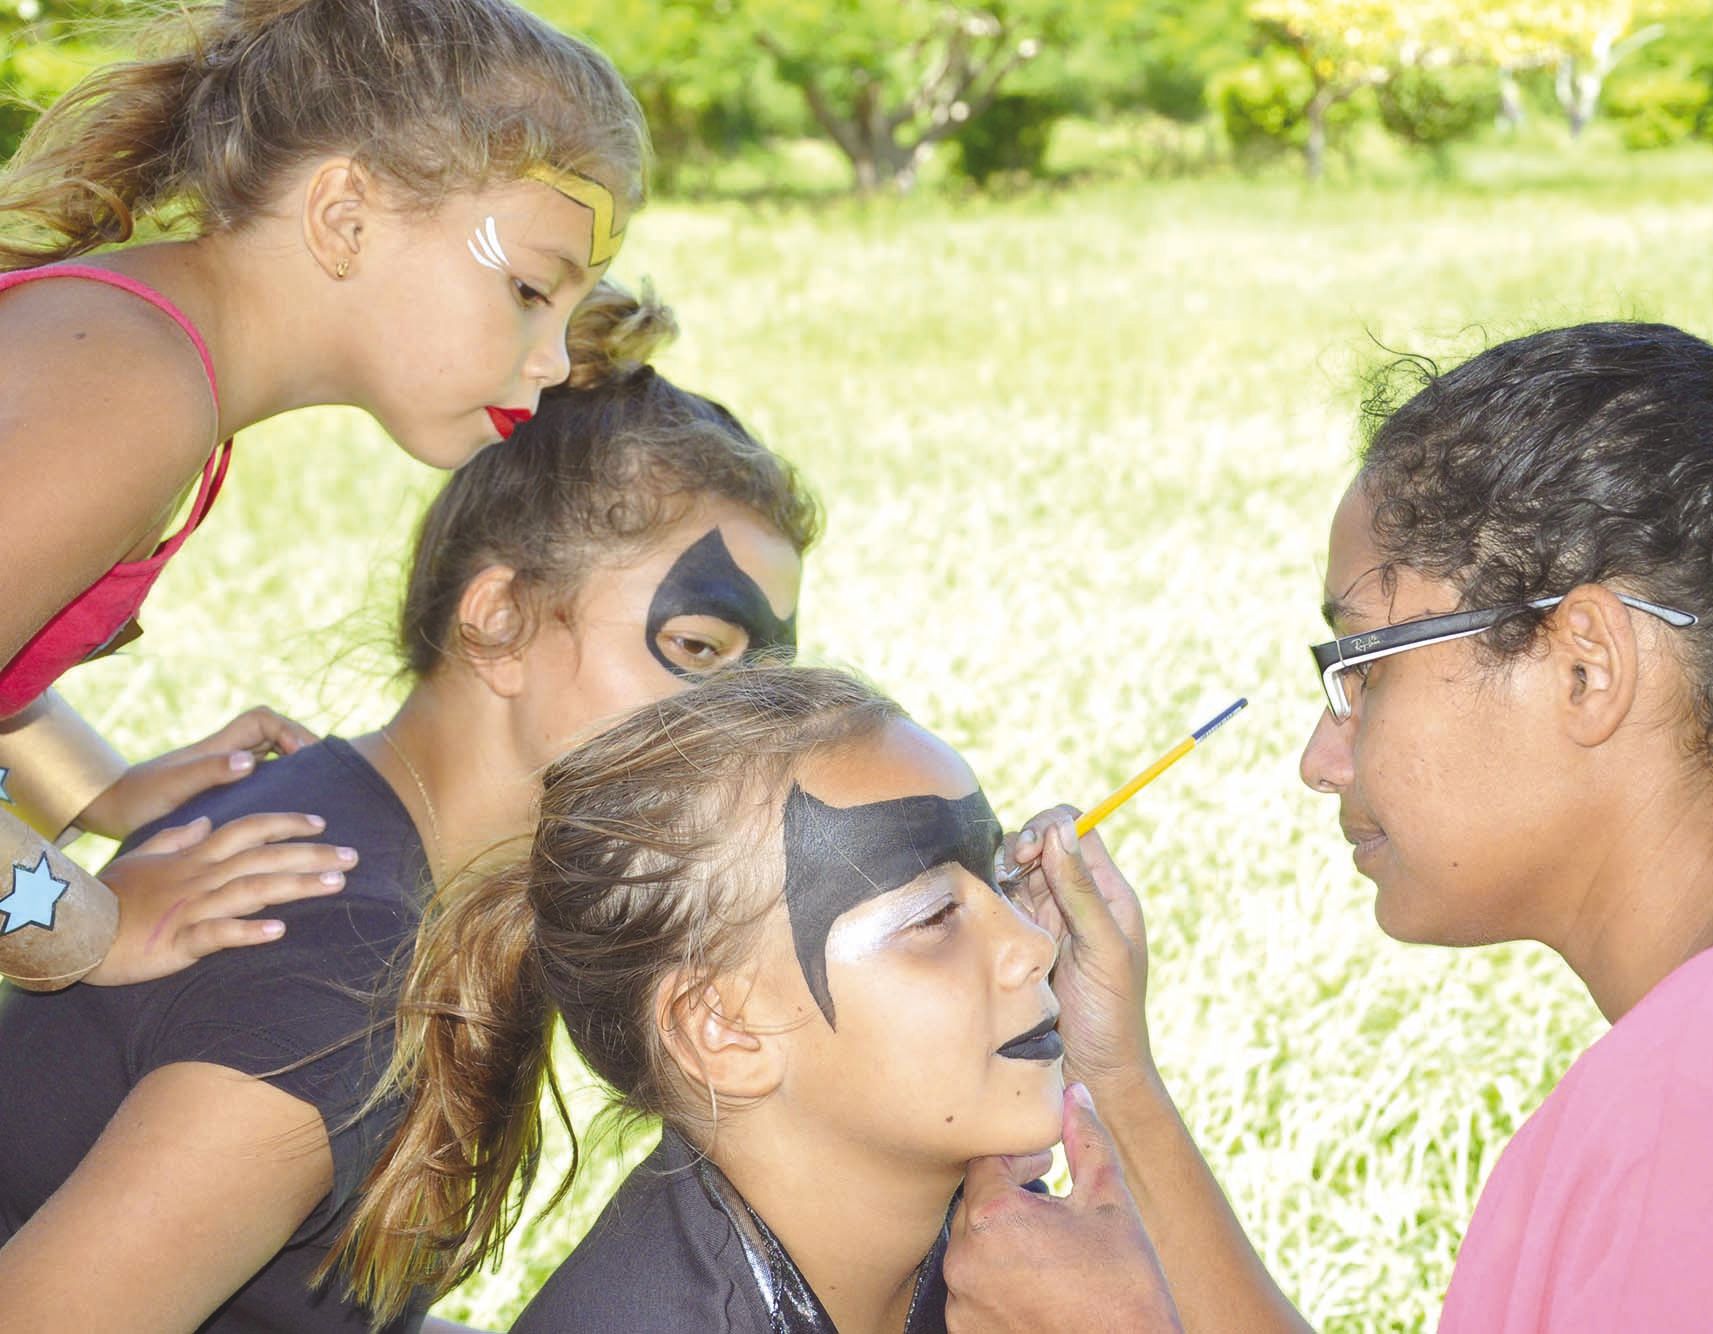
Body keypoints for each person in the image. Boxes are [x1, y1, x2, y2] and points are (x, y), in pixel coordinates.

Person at [943, 231, 1713, 1332]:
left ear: (1584, 665)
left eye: (1360, 666)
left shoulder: (1702, 1112)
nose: (1320, 757)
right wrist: (1116, 1079)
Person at [0, 285, 819, 1333]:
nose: (740, 720)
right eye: (700, 650)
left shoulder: (390, 855)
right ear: (499, 619)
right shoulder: (335, 981)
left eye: (762, 677)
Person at [0, 0, 646, 988]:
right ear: (344, 216)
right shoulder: (135, 389)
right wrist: (92, 925)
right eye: (527, 290)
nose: (554, 360)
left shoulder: (148, 357)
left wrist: (100, 790)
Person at [333, 666, 1067, 1334]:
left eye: (999, 878)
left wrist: (1117, 1069)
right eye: (935, 917)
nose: (1032, 940)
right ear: (721, 1029)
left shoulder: (996, 1243)